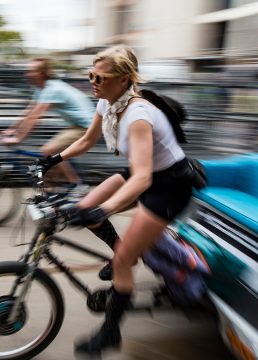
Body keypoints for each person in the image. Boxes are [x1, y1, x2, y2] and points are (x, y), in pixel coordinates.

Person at [39, 44, 194, 356]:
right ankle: (123, 254)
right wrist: (53, 159)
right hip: (144, 172)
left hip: (170, 185)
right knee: (83, 208)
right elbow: (86, 140)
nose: (93, 82)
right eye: (91, 75)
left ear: (124, 80)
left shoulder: (137, 115)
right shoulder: (106, 104)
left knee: (121, 258)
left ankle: (110, 333)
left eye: (101, 77)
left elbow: (142, 180)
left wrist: (105, 208)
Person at [0, 58, 94, 191]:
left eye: (31, 71)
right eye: (27, 71)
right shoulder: (41, 89)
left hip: (87, 125)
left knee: (48, 151)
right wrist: (11, 129)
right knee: (49, 159)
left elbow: (35, 116)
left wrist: (18, 138)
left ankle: (78, 185)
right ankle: (56, 192)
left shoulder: (52, 89)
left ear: (42, 73)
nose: (27, 74)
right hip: (76, 125)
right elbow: (29, 111)